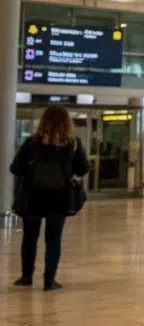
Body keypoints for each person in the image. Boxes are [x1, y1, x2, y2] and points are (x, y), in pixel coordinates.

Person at [10, 105, 89, 291]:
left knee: (30, 237)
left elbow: (15, 168)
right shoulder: (73, 143)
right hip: (59, 197)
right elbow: (83, 169)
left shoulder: (31, 143)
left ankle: (26, 276)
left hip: (33, 197)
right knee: (53, 239)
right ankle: (49, 280)